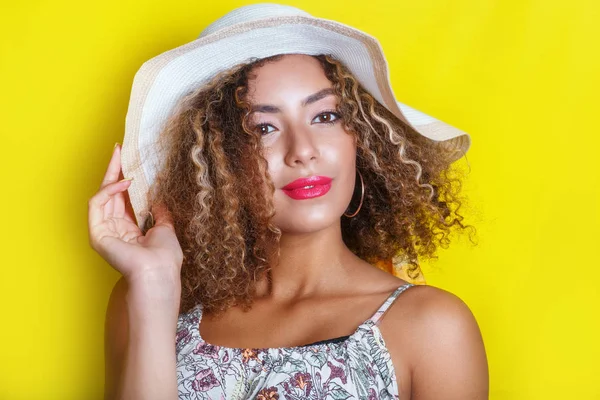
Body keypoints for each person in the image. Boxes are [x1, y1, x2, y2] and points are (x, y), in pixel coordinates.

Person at [88, 4, 488, 399]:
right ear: (218, 158)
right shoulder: (146, 300)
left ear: (361, 140)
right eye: (264, 127)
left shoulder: (432, 328)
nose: (303, 151)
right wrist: (154, 287)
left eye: (325, 116)